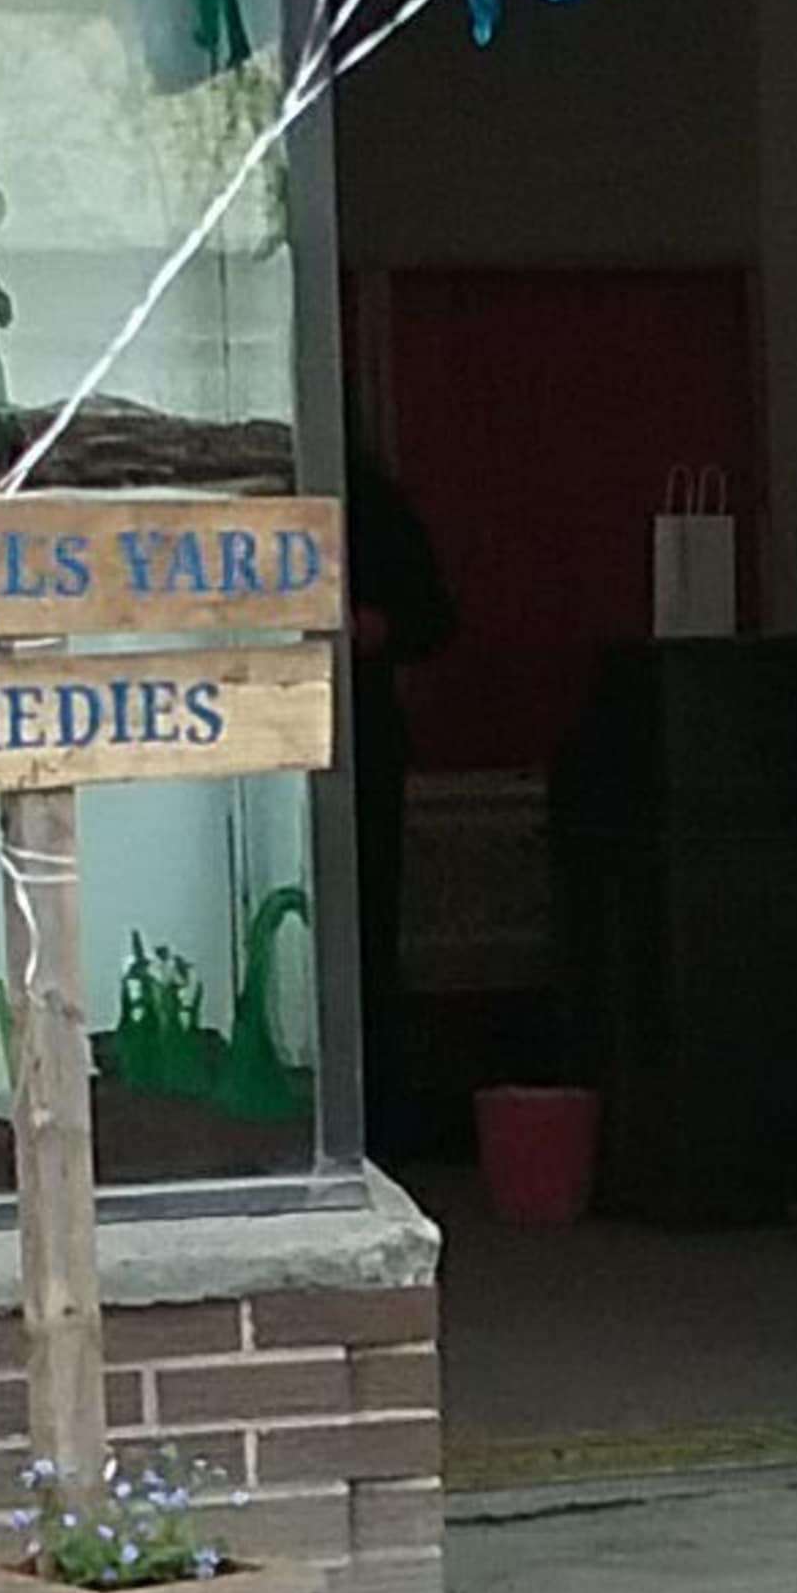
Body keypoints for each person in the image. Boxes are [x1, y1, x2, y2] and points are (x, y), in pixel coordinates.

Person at [344, 433, 456, 1101]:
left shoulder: (368, 497)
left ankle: (379, 1106)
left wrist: (371, 629)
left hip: (362, 744)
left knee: (367, 933)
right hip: (255, 744)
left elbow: (435, 617)